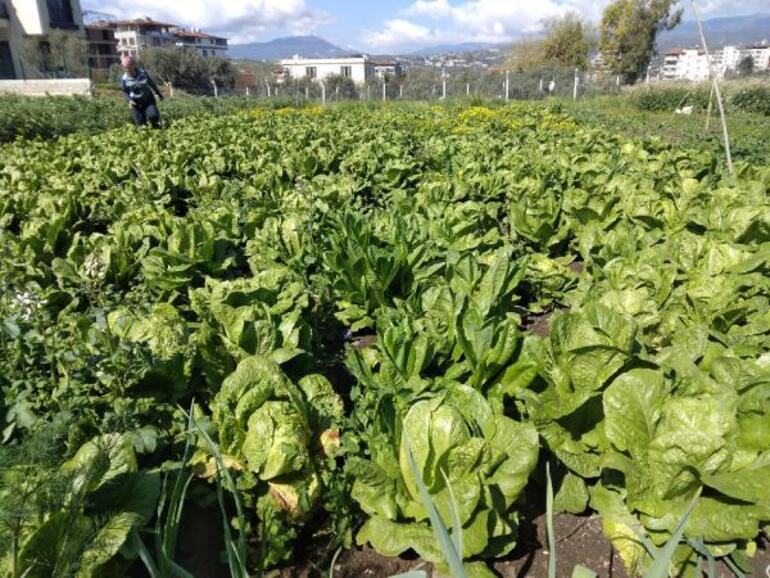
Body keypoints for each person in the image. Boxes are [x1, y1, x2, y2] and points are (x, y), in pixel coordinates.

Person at [120, 55, 164, 129]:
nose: (128, 69)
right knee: (141, 124)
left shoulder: (143, 73)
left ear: (133, 65)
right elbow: (124, 92)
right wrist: (129, 100)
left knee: (154, 115)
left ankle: (156, 127)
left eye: (129, 66)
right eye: (125, 67)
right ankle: (145, 130)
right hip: (135, 102)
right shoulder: (124, 78)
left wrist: (158, 93)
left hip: (148, 99)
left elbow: (151, 83)